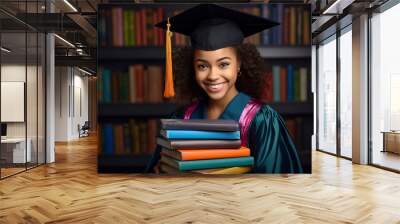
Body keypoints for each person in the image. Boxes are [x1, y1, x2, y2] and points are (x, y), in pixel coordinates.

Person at [146, 3, 303, 173]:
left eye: (223, 64)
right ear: (192, 68)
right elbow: (158, 172)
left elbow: (273, 185)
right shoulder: (181, 117)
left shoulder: (262, 120)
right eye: (202, 66)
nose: (213, 75)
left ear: (239, 64)